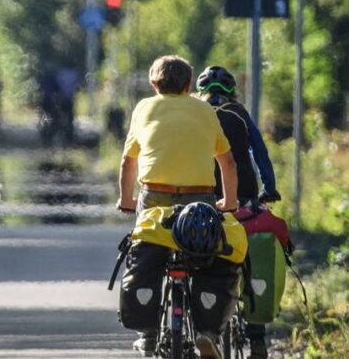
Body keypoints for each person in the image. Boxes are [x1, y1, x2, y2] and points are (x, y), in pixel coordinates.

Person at [116, 55, 239, 358]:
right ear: (188, 85)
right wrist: (230, 201)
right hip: (200, 199)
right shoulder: (204, 110)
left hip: (155, 198)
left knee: (148, 252)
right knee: (209, 258)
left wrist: (127, 200)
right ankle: (208, 332)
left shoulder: (144, 108)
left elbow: (129, 162)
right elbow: (227, 162)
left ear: (154, 84)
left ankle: (147, 335)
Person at [196, 65, 281, 359]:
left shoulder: (195, 113)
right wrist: (270, 188)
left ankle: (202, 323)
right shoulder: (240, 114)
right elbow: (260, 152)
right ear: (233, 92)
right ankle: (257, 338)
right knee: (249, 258)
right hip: (242, 197)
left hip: (202, 196)